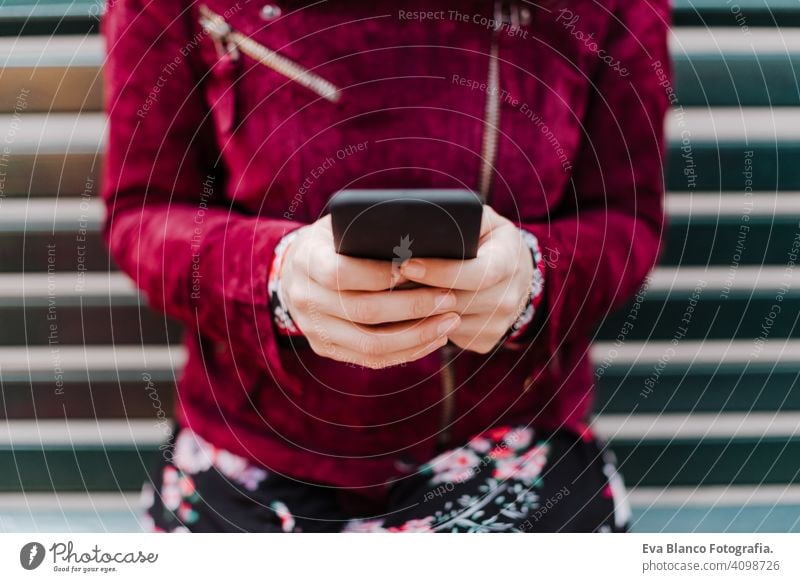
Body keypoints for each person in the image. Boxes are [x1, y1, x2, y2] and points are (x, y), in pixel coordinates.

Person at [101, 0, 670, 532]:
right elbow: (143, 211)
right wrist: (273, 277)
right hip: (254, 438)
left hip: (513, 427)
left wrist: (535, 278)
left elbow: (627, 218)